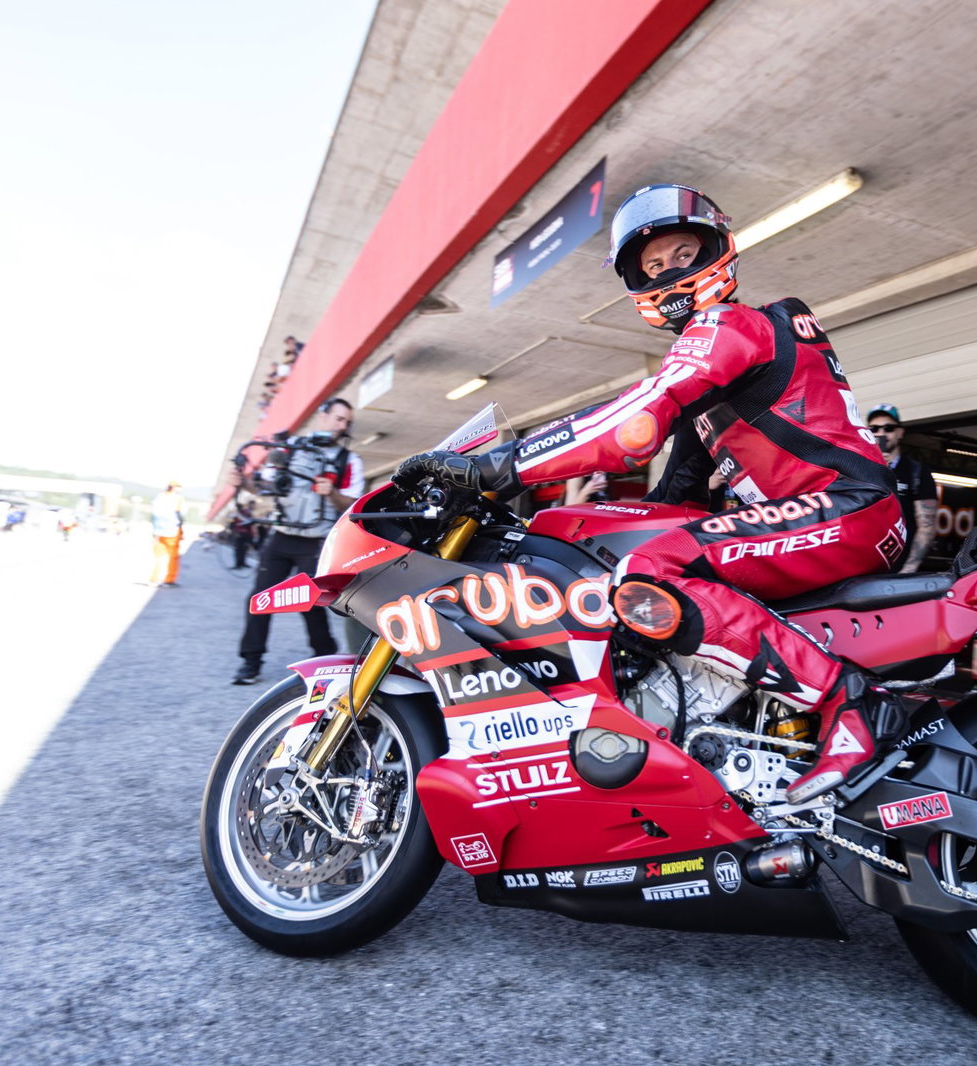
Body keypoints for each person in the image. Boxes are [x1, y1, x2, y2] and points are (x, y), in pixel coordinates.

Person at [395, 184, 905, 802]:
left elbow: (632, 426)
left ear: (717, 250)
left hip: (848, 507)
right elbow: (678, 494)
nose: (670, 273)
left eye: (683, 254)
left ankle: (847, 704)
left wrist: (494, 468)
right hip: (825, 516)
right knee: (633, 557)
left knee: (649, 570)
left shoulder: (731, 324)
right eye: (654, 267)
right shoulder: (712, 370)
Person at [231, 398, 366, 685]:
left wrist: (331, 492)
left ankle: (324, 656)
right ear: (323, 417)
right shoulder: (288, 449)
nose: (342, 425)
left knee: (312, 604)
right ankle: (250, 661)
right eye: (338, 418)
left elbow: (353, 504)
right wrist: (243, 482)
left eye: (346, 421)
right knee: (259, 598)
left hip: (316, 540)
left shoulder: (348, 460)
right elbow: (264, 487)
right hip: (281, 536)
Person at [866, 403, 938, 572]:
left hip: (899, 568)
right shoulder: (859, 468)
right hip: (862, 566)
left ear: (900, 432)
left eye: (888, 428)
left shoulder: (916, 472)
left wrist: (909, 568)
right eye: (874, 429)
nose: (881, 434)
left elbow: (926, 526)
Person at [148, 482, 185, 587]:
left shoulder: (159, 497)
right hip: (172, 530)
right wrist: (181, 529)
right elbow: (179, 514)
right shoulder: (177, 498)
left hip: (158, 531)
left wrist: (155, 530)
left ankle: (154, 579)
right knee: (173, 556)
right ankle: (169, 579)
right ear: (174, 488)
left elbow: (154, 515)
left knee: (158, 556)